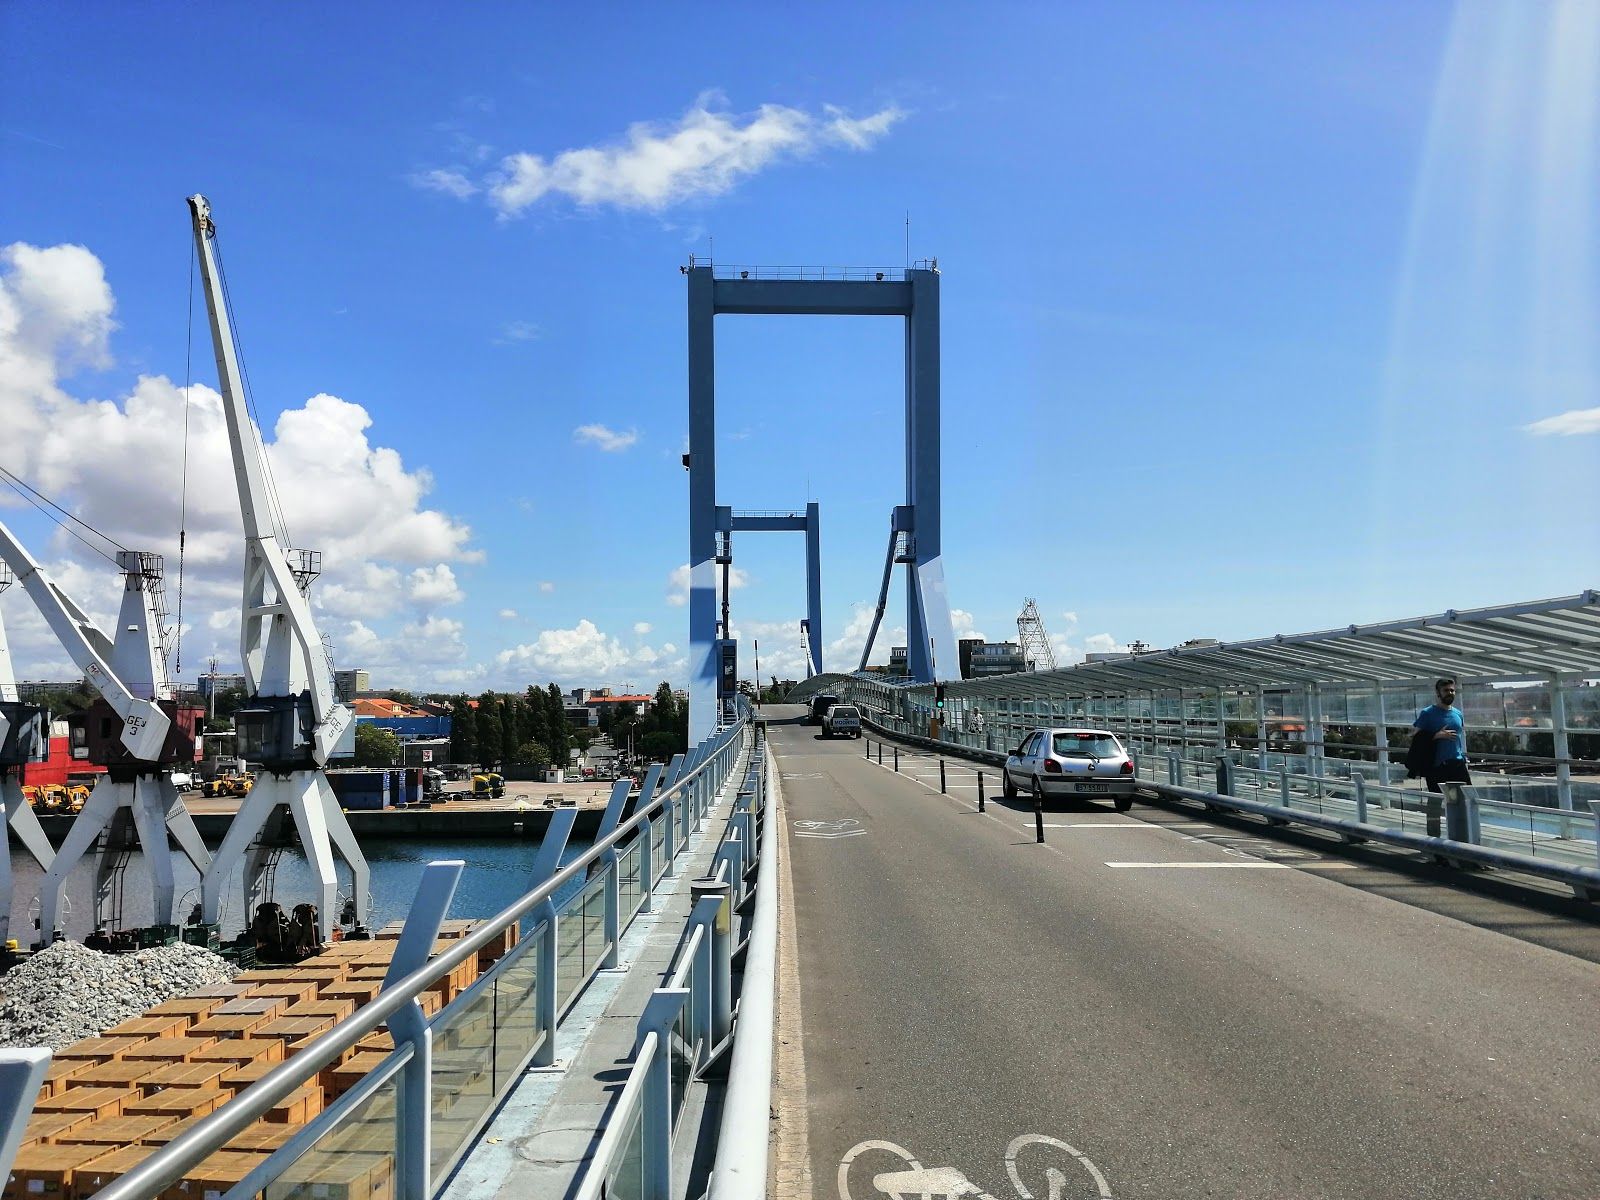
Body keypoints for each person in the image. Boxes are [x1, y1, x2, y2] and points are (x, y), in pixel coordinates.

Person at [1413, 677, 1471, 794]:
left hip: (1457, 763)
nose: (1449, 693)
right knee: (1437, 799)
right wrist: (1436, 735)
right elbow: (1416, 737)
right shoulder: (1428, 713)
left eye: (1452, 690)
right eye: (1445, 690)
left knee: (1465, 797)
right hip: (1437, 766)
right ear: (1438, 692)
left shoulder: (1458, 713)